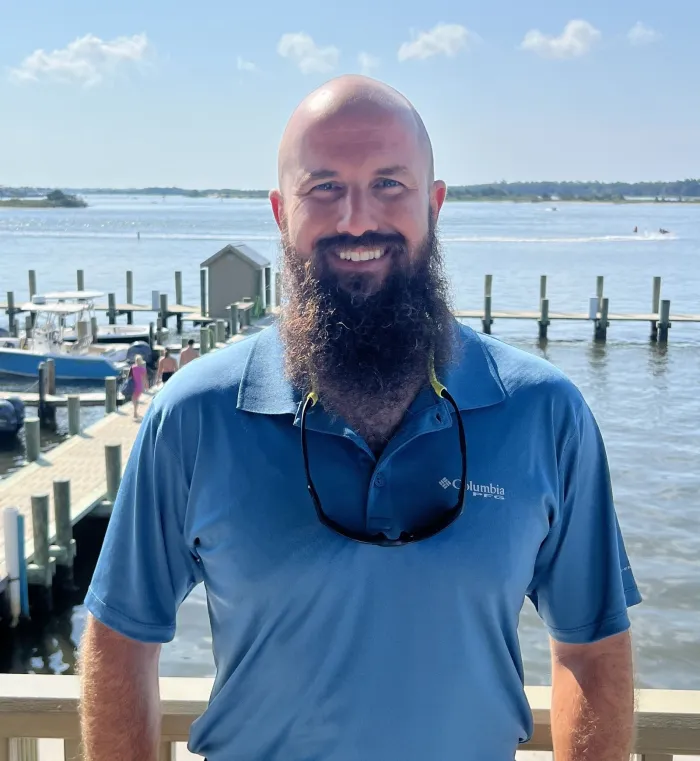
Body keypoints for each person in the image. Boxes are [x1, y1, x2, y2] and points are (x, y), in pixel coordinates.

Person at [80, 76, 641, 761]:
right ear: (280, 212)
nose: (355, 219)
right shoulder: (192, 415)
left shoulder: (545, 413)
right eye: (323, 187)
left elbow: (594, 646)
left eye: (389, 184)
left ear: (434, 204)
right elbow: (119, 637)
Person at [129, 354, 148, 421]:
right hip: (139, 386)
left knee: (133, 399)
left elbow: (129, 376)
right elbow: (144, 379)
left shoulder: (133, 367)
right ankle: (135, 412)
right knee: (136, 399)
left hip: (133, 385)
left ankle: (135, 412)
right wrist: (146, 386)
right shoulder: (143, 369)